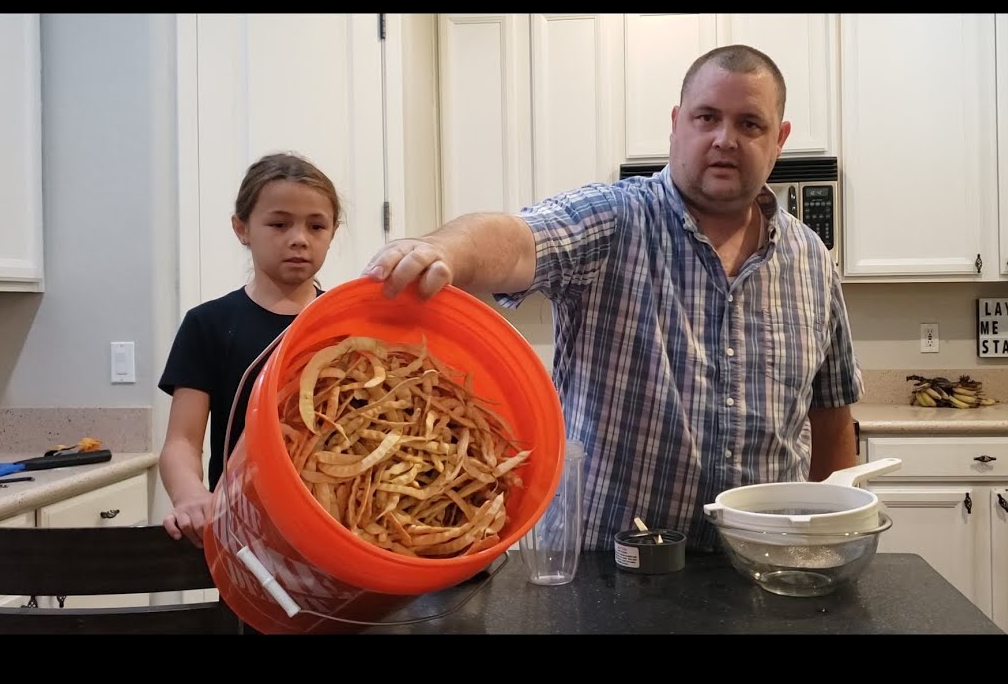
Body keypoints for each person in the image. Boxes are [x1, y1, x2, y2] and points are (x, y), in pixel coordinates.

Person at [363, 44, 864, 552]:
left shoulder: (812, 260)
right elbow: (517, 238)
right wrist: (440, 249)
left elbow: (831, 415)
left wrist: (829, 542)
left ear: (779, 139)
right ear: (676, 124)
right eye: (706, 117)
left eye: (750, 124)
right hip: (606, 573)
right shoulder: (612, 221)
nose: (724, 140)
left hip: (763, 567)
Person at [158, 152, 343, 546]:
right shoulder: (206, 324)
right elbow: (182, 441)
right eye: (279, 223)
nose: (299, 238)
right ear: (242, 229)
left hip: (337, 529)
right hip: (243, 535)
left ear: (333, 232)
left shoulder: (346, 324)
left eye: (316, 226)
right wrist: (190, 495)